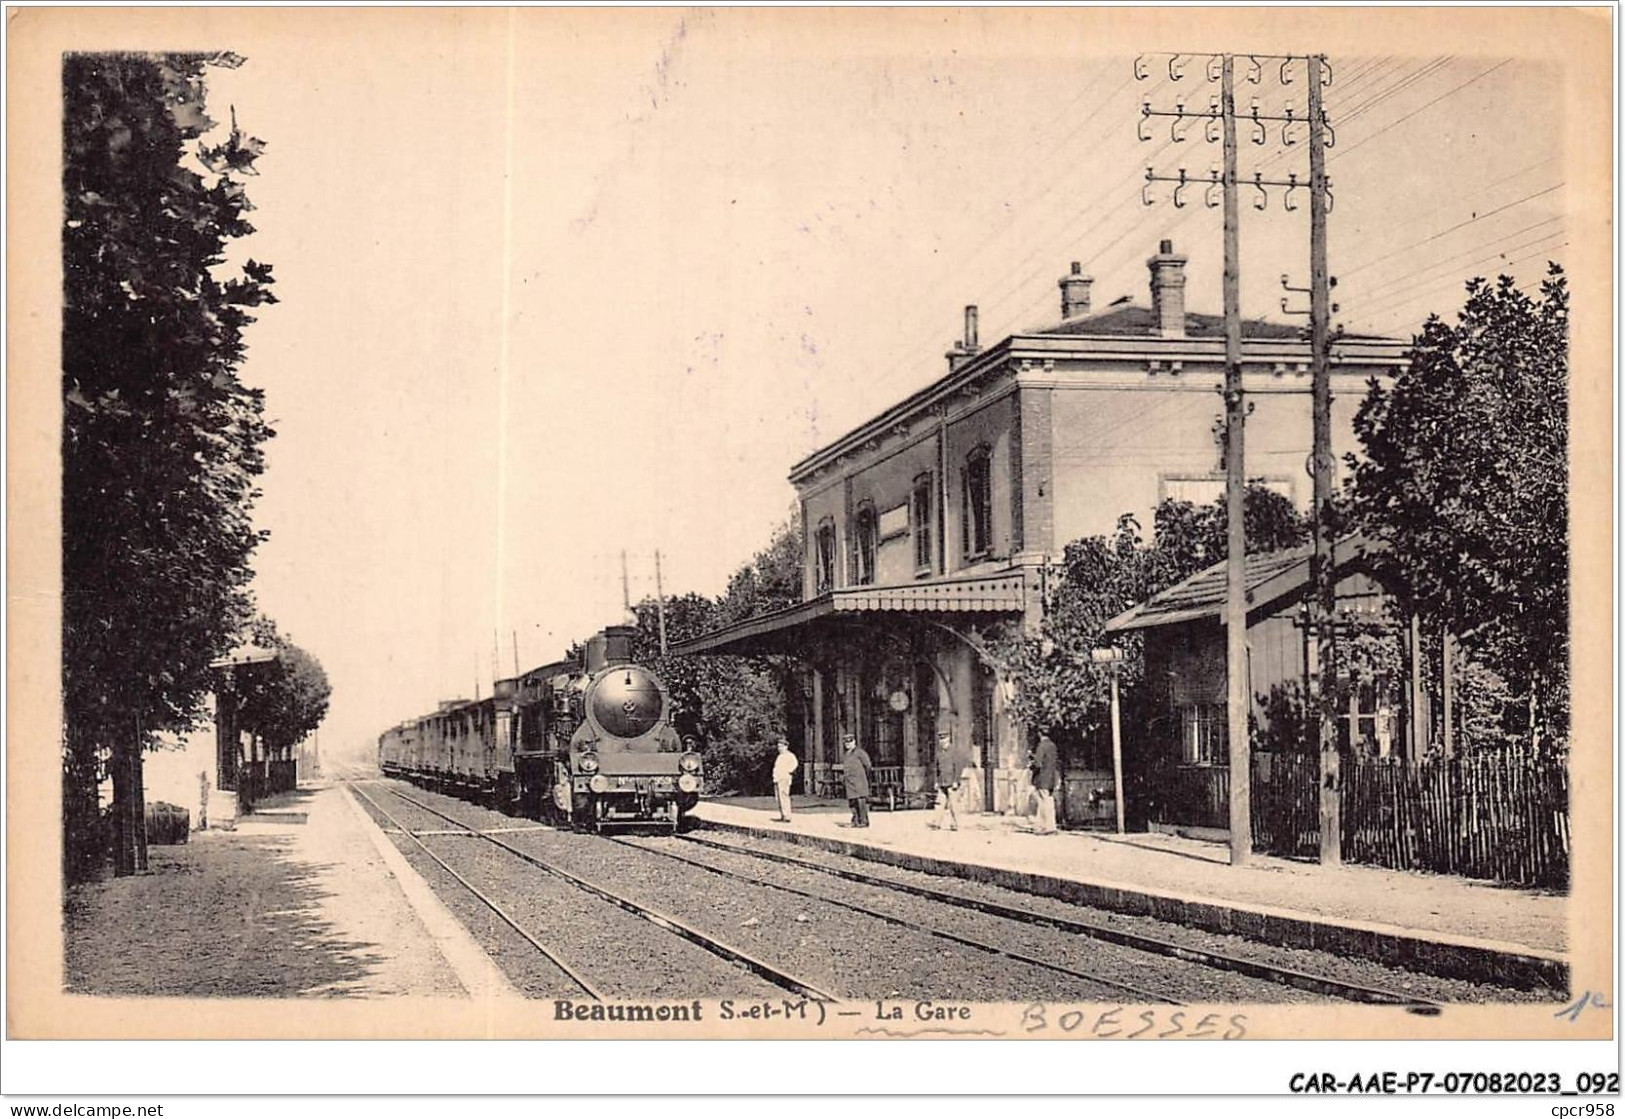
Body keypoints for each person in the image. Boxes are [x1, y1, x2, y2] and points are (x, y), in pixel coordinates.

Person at [929, 729, 963, 831]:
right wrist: (936, 781)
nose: (942, 741)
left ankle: (955, 824)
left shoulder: (954, 752)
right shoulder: (939, 753)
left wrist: (956, 781)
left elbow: (958, 767)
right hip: (942, 782)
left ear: (948, 739)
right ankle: (937, 823)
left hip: (952, 782)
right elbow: (936, 768)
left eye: (944, 739)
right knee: (939, 803)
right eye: (941, 739)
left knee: (953, 805)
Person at [1030, 731, 1060, 835]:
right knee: (1049, 801)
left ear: (1039, 734)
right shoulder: (1053, 746)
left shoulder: (1041, 746)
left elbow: (1038, 763)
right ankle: (1051, 826)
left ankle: (1043, 827)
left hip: (1042, 778)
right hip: (1052, 778)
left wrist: (1032, 763)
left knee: (1042, 802)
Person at [841, 733, 872, 828]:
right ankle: (856, 820)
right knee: (852, 802)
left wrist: (863, 777)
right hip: (849, 782)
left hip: (859, 781)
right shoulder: (846, 754)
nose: (848, 744)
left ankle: (863, 821)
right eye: (846, 743)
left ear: (854, 742)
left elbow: (868, 765)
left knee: (860, 801)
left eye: (850, 742)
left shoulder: (859, 752)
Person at [771, 739, 797, 822]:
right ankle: (783, 815)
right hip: (778, 778)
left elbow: (794, 764)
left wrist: (789, 771)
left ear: (786, 747)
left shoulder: (790, 755)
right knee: (778, 797)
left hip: (784, 777)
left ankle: (787, 816)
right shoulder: (780, 756)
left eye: (781, 746)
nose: (780, 748)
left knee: (784, 796)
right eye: (778, 747)